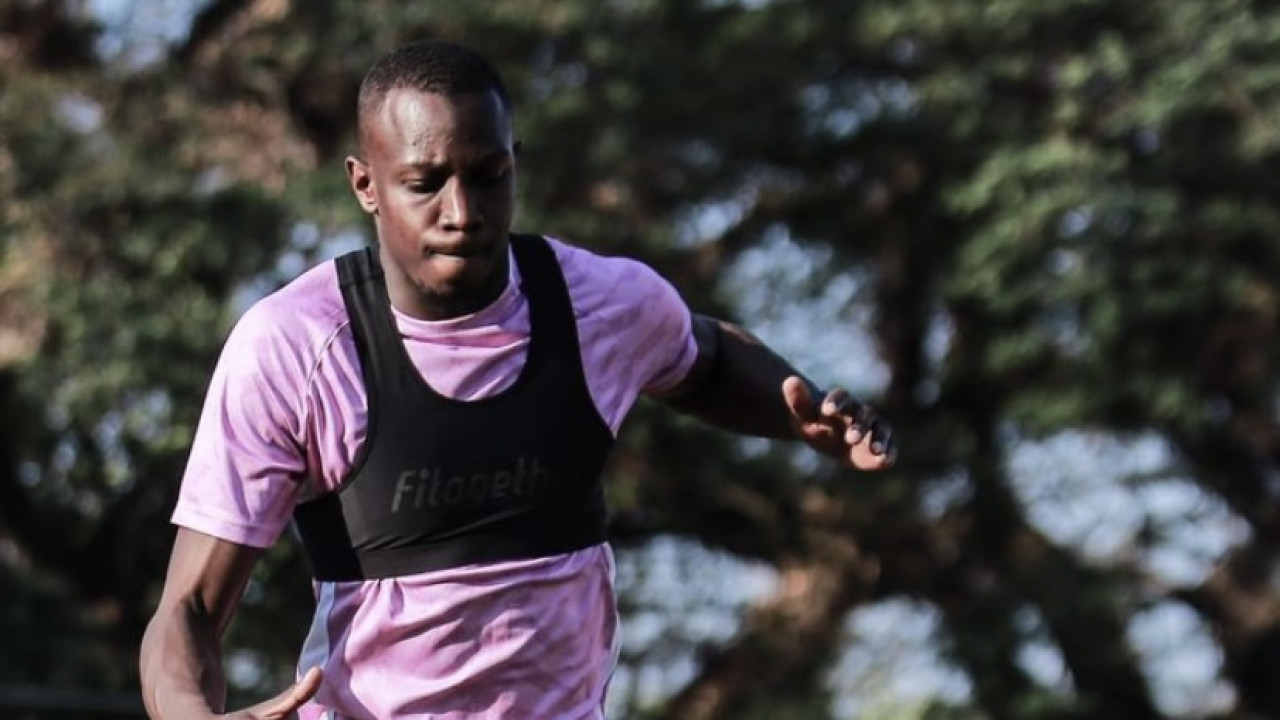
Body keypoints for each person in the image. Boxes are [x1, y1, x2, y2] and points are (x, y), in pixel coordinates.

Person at [138, 38, 896, 720]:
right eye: (425, 182)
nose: (462, 211)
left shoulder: (600, 304)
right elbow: (191, 610)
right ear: (365, 184)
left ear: (515, 163)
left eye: (488, 175)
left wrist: (797, 409)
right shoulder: (295, 346)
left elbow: (705, 358)